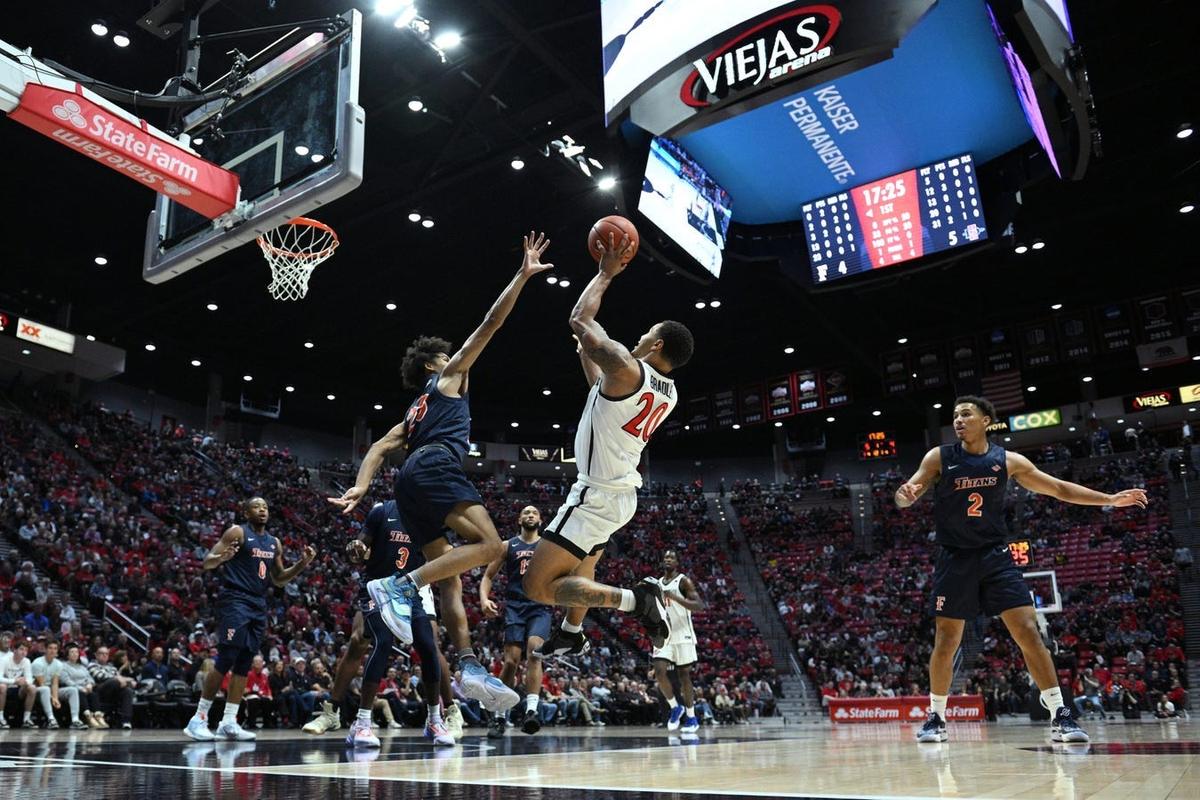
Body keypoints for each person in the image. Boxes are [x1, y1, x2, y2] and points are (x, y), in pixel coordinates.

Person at [331, 232, 554, 715]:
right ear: (436, 362)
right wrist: (521, 275)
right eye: (448, 352)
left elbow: (379, 448)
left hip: (408, 481)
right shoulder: (448, 376)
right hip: (435, 466)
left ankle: (470, 663)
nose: (457, 355)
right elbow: (491, 324)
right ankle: (400, 585)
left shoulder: (414, 409)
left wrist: (362, 485)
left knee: (450, 580)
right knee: (492, 545)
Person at [895, 395, 1148, 744]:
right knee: (947, 639)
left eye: (966, 414)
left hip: (995, 556)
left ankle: (1061, 714)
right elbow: (907, 494)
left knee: (1029, 631)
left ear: (986, 421)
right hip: (954, 558)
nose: (958, 420)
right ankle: (936, 717)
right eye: (954, 415)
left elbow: (1058, 488)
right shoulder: (939, 457)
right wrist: (905, 496)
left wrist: (1107, 499)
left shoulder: (1008, 461)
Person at [523, 233, 693, 656]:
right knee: (585, 563)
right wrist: (587, 350)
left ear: (656, 345)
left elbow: (580, 320)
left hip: (597, 493)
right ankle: (572, 630)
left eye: (646, 334)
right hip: (621, 495)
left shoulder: (628, 368)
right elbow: (601, 391)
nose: (638, 337)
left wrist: (605, 274)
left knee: (538, 586)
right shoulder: (667, 392)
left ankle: (638, 599)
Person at [303, 500, 456, 747]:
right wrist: (358, 547)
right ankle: (354, 721)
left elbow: (442, 556)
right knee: (376, 641)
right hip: (378, 587)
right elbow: (361, 544)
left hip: (410, 588)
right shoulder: (382, 511)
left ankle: (437, 719)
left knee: (428, 647)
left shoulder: (429, 516)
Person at [183, 497, 315, 741]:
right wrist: (222, 558)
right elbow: (207, 562)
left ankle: (229, 721)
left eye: (266, 506)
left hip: (258, 602)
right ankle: (198, 719)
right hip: (235, 599)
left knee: (245, 661)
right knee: (227, 657)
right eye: (257, 507)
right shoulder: (237, 532)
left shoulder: (274, 543)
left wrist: (301, 564)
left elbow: (279, 579)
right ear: (245, 512)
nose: (262, 510)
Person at [480, 505, 555, 737]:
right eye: (526, 512)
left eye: (534, 513)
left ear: (540, 520)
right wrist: (484, 599)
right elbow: (488, 575)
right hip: (514, 607)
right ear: (519, 519)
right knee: (511, 662)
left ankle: (531, 711)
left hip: (539, 606)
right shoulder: (507, 545)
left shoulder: (547, 546)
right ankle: (500, 715)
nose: (530, 515)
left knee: (534, 652)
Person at [650, 550, 705, 733]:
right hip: (664, 634)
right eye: (665, 557)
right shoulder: (657, 583)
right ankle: (675, 707)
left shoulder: (683, 581)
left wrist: (674, 597)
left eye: (671, 557)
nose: (668, 559)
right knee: (659, 671)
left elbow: (699, 606)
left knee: (684, 676)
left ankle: (691, 717)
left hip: (683, 634)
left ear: (677, 562)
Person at [32, 640, 84, 729]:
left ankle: (75, 720)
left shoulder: (58, 664)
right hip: (37, 690)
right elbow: (41, 683)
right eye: (50, 648)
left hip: (51, 689)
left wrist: (55, 698)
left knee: (73, 690)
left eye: (55, 649)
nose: (53, 651)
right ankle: (51, 719)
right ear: (45, 649)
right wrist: (53, 698)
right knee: (45, 689)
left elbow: (55, 683)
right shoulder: (37, 663)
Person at [87, 645, 133, 729]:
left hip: (113, 692)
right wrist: (118, 678)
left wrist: (126, 680)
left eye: (106, 654)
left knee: (127, 691)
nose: (104, 655)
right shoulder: (92, 665)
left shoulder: (112, 667)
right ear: (96, 655)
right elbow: (100, 676)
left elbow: (121, 679)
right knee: (114, 681)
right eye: (102, 653)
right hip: (99, 691)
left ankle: (126, 721)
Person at [57, 644, 102, 728]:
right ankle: (87, 716)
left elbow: (90, 678)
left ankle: (98, 715)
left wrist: (89, 684)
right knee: (80, 693)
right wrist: (81, 688)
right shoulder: (63, 666)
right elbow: (66, 681)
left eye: (76, 652)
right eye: (72, 652)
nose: (75, 654)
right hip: (73, 689)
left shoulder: (82, 667)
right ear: (67, 654)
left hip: (86, 688)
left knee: (93, 694)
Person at [0, 641, 37, 729]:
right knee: (2, 686)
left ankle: (26, 719)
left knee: (32, 688)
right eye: (21, 649)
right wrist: (14, 681)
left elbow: (29, 679)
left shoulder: (26, 661)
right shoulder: (4, 660)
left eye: (26, 650)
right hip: (5, 687)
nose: (24, 652)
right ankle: (0, 718)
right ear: (14, 650)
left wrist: (24, 682)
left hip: (18, 689)